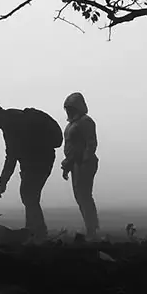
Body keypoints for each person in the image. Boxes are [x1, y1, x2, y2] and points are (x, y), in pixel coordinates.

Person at [0, 100, 63, 238]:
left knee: (28, 195)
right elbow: (14, 154)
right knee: (29, 195)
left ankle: (38, 232)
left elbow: (11, 157)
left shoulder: (11, 124)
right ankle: (33, 230)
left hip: (38, 162)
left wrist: (3, 182)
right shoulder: (13, 119)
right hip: (40, 161)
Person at [61, 92, 99, 238]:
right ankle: (90, 226)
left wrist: (85, 160)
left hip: (84, 164)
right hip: (75, 164)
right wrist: (67, 165)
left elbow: (91, 142)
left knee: (84, 196)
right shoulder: (71, 125)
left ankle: (92, 228)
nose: (69, 111)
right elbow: (71, 147)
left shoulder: (86, 122)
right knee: (80, 197)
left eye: (71, 108)